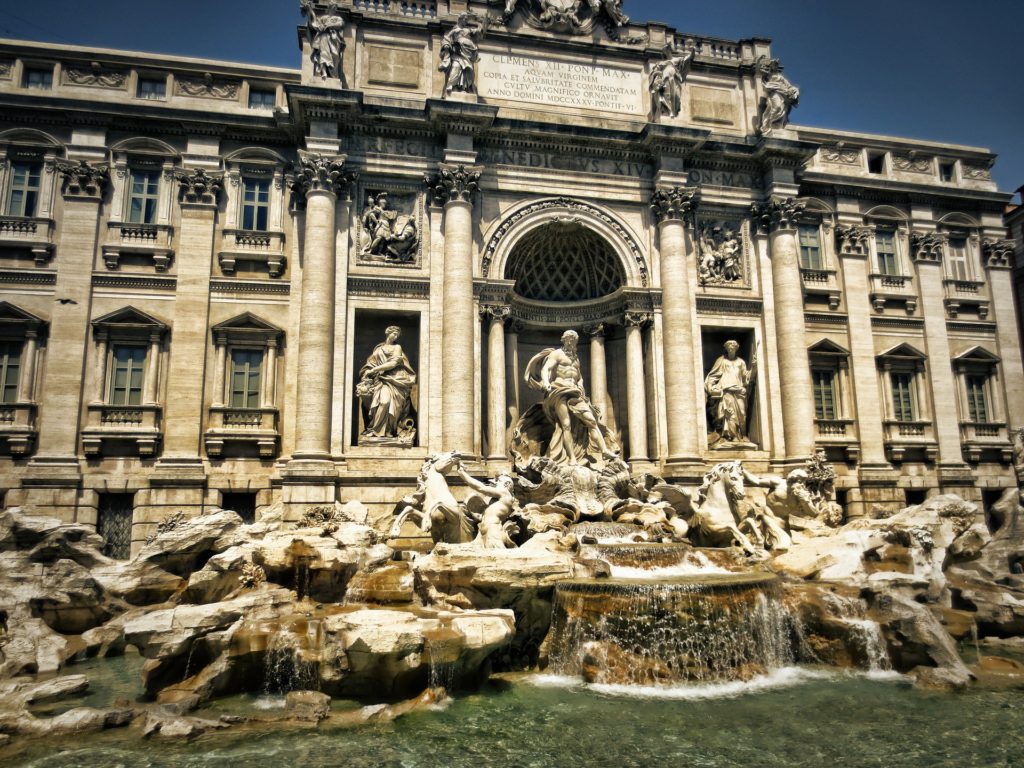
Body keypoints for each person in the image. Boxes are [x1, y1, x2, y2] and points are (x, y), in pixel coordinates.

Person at [526, 330, 617, 465]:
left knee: (591, 421)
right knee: (566, 425)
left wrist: (582, 389)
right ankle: (572, 459)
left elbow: (578, 378)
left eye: (574, 340)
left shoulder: (575, 358)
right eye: (569, 339)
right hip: (560, 391)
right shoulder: (557, 354)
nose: (571, 342)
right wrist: (545, 382)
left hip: (575, 393)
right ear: (564, 340)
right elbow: (546, 369)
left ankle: (604, 450)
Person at [356, 326, 416, 440]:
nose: (396, 336)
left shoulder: (397, 347)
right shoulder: (378, 349)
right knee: (383, 402)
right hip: (380, 380)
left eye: (398, 335)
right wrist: (368, 372)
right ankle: (375, 430)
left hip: (394, 380)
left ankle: (388, 431)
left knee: (389, 404)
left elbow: (393, 363)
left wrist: (374, 370)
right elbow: (370, 364)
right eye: (394, 334)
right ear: (387, 333)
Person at [704, 340, 756, 446]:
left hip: (739, 391)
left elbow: (746, 378)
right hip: (726, 390)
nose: (731, 349)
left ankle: (741, 435)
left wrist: (754, 367)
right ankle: (730, 437)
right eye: (729, 347)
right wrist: (710, 387)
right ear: (726, 349)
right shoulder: (722, 361)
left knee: (742, 413)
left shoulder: (741, 362)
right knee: (729, 414)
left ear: (736, 348)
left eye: (733, 347)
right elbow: (713, 375)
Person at [457, 468, 517, 548]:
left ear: (506, 484)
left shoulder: (505, 493)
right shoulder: (496, 500)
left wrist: (463, 474)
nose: (495, 483)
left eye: (498, 481)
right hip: (482, 529)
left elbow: (481, 488)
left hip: (492, 529)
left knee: (496, 557)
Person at [302, 1, 345, 83]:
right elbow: (315, 24)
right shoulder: (323, 18)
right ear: (329, 7)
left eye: (335, 7)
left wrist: (328, 25)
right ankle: (323, 71)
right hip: (323, 37)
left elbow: (341, 24)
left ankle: (333, 74)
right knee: (323, 53)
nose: (334, 8)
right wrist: (309, 10)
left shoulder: (338, 18)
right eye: (332, 6)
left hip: (334, 40)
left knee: (335, 55)